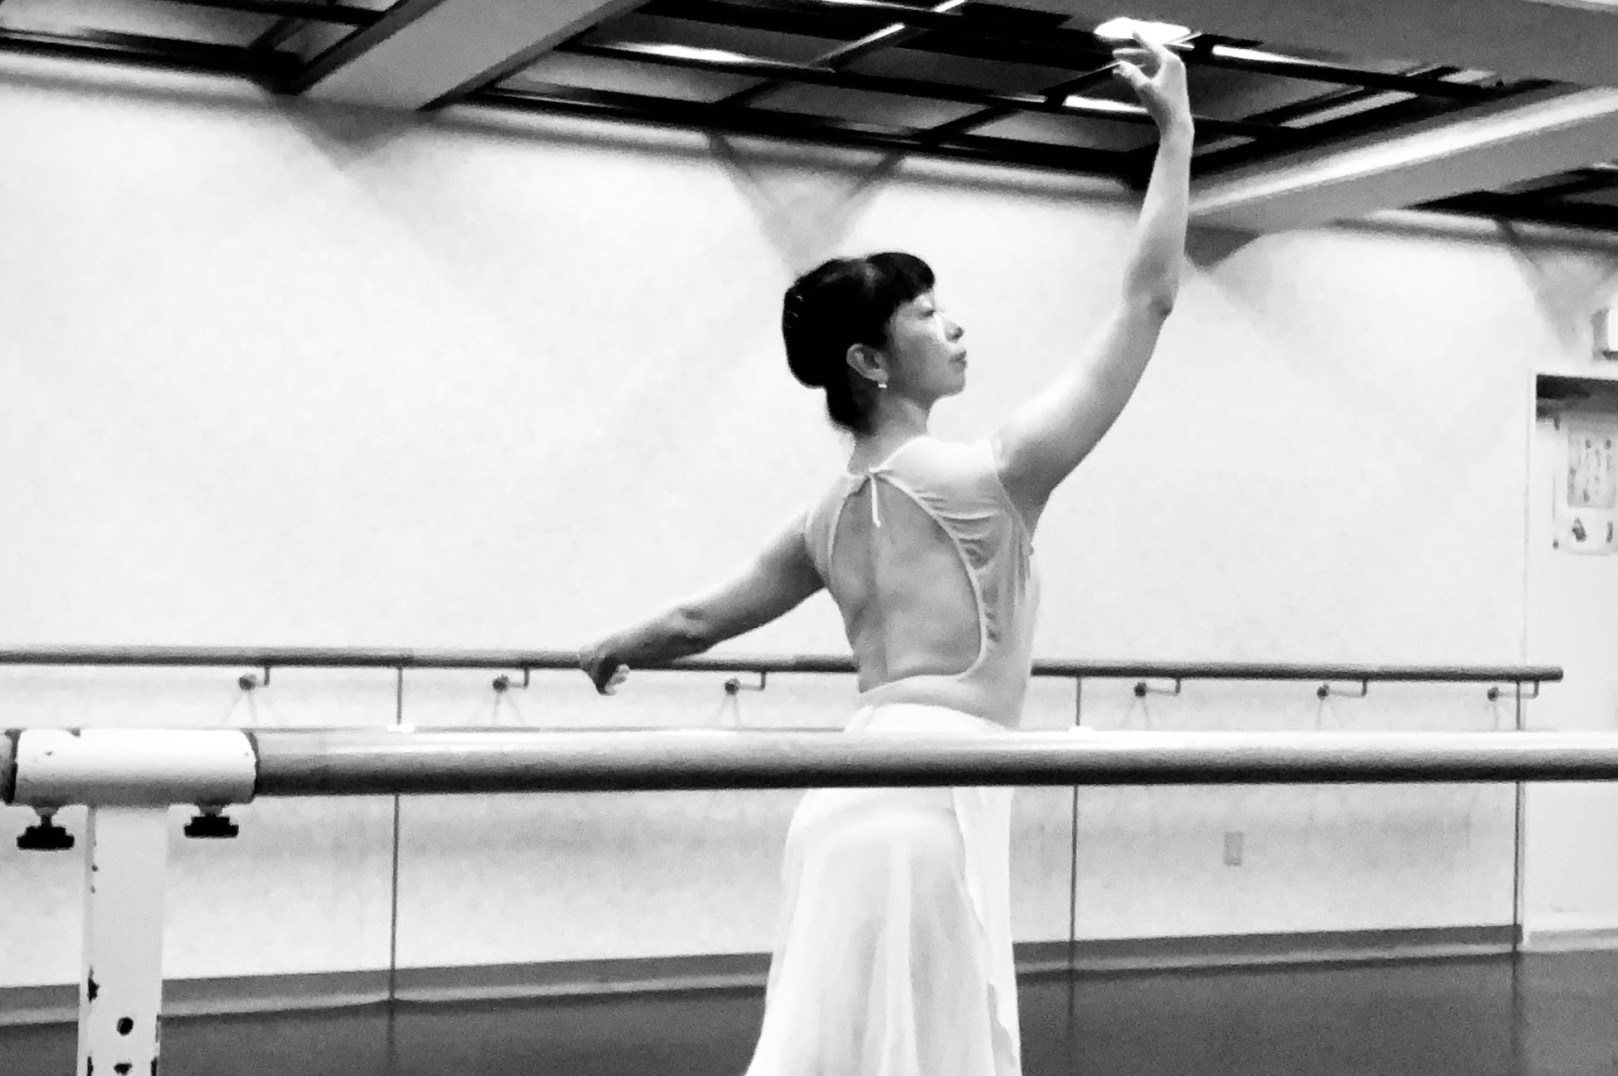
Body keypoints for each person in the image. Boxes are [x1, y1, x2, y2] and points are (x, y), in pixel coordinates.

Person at [579, 30, 1192, 1076]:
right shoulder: (996, 472)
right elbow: (1148, 301)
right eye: (926, 314)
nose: (954, 328)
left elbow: (693, 620)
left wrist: (609, 647)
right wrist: (1175, 133)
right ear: (869, 360)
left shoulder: (824, 517)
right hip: (930, 806)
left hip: (841, 801)